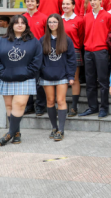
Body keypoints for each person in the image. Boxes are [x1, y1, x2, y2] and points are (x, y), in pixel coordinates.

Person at [0, 15, 43, 146]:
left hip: (25, 78)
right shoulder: (1, 41)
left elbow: (37, 60)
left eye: (23, 23)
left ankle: (9, 134)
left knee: (19, 105)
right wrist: (1, 72)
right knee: (9, 106)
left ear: (26, 26)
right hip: (5, 77)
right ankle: (17, 133)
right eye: (17, 23)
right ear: (11, 25)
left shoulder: (34, 42)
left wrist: (28, 73)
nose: (20, 25)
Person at [39, 13, 76, 141]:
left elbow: (72, 59)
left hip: (62, 75)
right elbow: (39, 59)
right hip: (46, 76)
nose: (52, 24)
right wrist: (41, 72)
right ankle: (54, 127)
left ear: (59, 23)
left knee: (60, 101)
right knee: (50, 101)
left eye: (55, 22)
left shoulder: (66, 39)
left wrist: (71, 76)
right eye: (50, 22)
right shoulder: (43, 40)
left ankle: (61, 130)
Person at [79, 0, 111, 118]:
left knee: (103, 81)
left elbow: (110, 34)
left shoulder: (107, 16)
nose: (92, 2)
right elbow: (83, 33)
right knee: (90, 81)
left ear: (101, 1)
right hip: (88, 50)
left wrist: (107, 51)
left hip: (101, 51)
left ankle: (104, 107)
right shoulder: (86, 17)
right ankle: (92, 107)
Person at [22, 0, 47, 115]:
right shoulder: (22, 18)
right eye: (28, 1)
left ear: (37, 3)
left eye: (32, 1)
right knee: (27, 79)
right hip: (25, 53)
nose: (30, 3)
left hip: (39, 53)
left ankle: (40, 106)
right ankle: (28, 105)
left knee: (39, 81)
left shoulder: (44, 18)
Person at [61, 0, 85, 117]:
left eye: (68, 4)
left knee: (74, 79)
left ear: (73, 6)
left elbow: (81, 37)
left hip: (74, 51)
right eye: (63, 4)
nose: (65, 6)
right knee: (61, 80)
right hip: (59, 51)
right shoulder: (58, 19)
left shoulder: (79, 20)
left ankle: (74, 107)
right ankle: (61, 106)